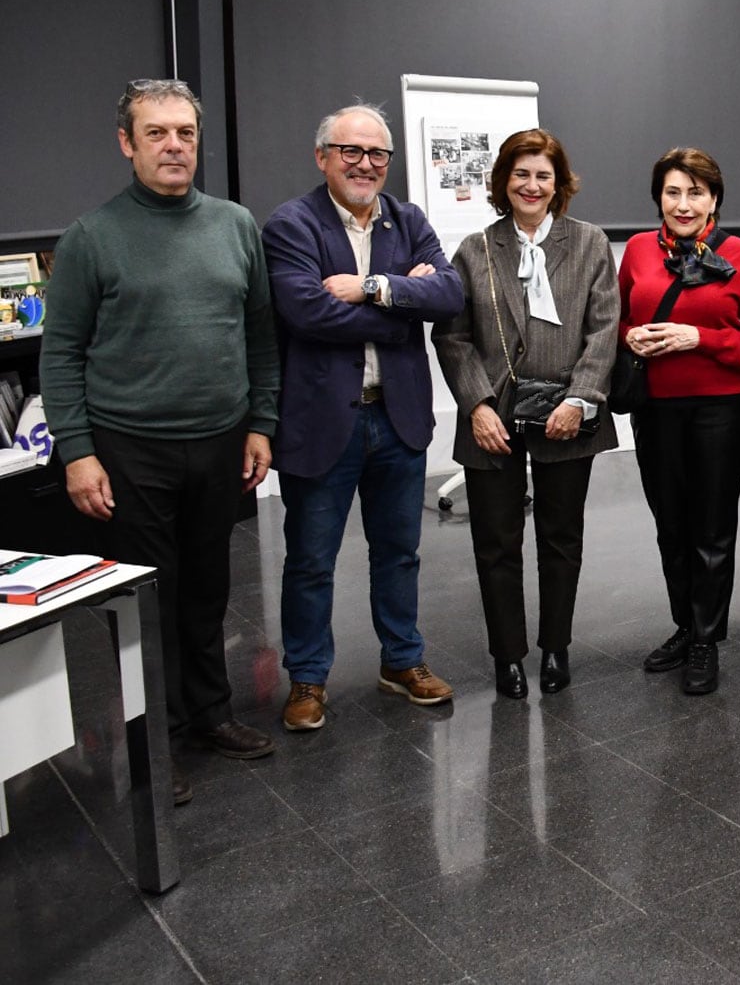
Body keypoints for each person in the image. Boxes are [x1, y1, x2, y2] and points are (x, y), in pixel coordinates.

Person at [41, 79, 279, 802]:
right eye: (157, 133)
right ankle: (152, 740)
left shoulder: (236, 225)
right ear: (127, 143)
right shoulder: (91, 237)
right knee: (148, 598)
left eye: (185, 133)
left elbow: (260, 336)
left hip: (219, 441)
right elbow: (61, 352)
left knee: (208, 589)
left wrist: (261, 423)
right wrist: (77, 450)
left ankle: (209, 713)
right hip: (129, 447)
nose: (174, 145)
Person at [263, 103, 465, 731]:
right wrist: (405, 300)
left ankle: (401, 661)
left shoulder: (408, 219)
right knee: (311, 560)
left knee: (399, 551)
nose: (366, 164)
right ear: (322, 156)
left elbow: (450, 293)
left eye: (378, 153)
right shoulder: (290, 225)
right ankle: (307, 679)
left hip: (397, 419)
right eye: (351, 151)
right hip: (324, 422)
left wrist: (372, 286)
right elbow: (307, 313)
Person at [433, 128, 620, 700]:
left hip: (568, 414)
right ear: (503, 182)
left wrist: (580, 398)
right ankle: (507, 656)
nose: (532, 185)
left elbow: (605, 329)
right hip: (493, 420)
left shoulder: (589, 244)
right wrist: (477, 405)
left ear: (559, 184)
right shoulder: (475, 249)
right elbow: (454, 335)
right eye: (521, 174)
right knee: (496, 542)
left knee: (562, 537)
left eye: (543, 175)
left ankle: (556, 647)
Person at [623, 147, 740, 695]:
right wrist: (630, 337)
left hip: (719, 408)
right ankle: (684, 627)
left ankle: (707, 639)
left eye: (695, 192)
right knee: (671, 525)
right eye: (672, 192)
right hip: (655, 406)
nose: (683, 204)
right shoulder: (639, 250)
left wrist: (699, 337)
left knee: (711, 528)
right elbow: (617, 321)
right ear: (658, 197)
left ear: (714, 198)